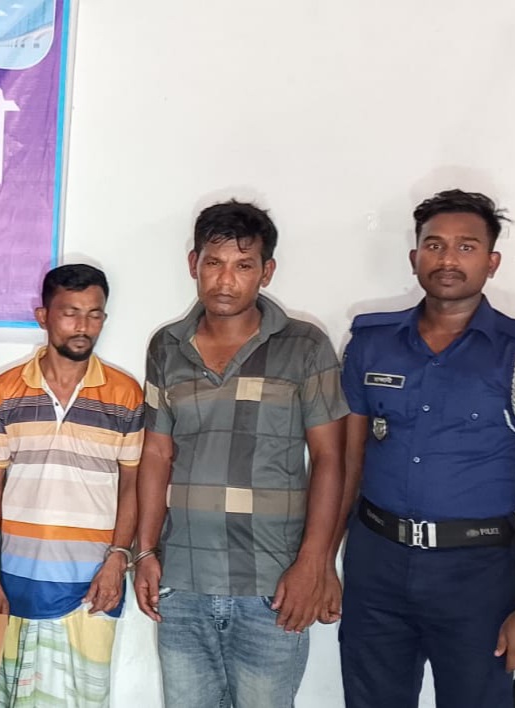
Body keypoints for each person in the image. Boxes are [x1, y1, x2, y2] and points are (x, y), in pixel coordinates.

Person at [334, 190, 515, 708]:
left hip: (476, 577)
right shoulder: (371, 343)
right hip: (377, 564)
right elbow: (349, 465)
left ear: (492, 261)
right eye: (434, 245)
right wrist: (324, 561)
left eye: (466, 247)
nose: (447, 259)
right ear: (415, 255)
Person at [133, 200, 347, 708]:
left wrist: (314, 563)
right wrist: (144, 552)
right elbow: (156, 454)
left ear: (266, 272)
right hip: (182, 582)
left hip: (272, 586)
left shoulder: (305, 347)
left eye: (243, 265)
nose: (225, 280)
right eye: (214, 262)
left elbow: (330, 461)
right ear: (194, 264)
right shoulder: (166, 347)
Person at [0, 264, 142, 708]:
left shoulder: (125, 395)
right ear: (43, 316)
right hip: (18, 584)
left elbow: (133, 485)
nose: (83, 326)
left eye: (94, 314)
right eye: (70, 313)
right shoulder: (4, 392)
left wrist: (118, 558)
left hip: (94, 585)